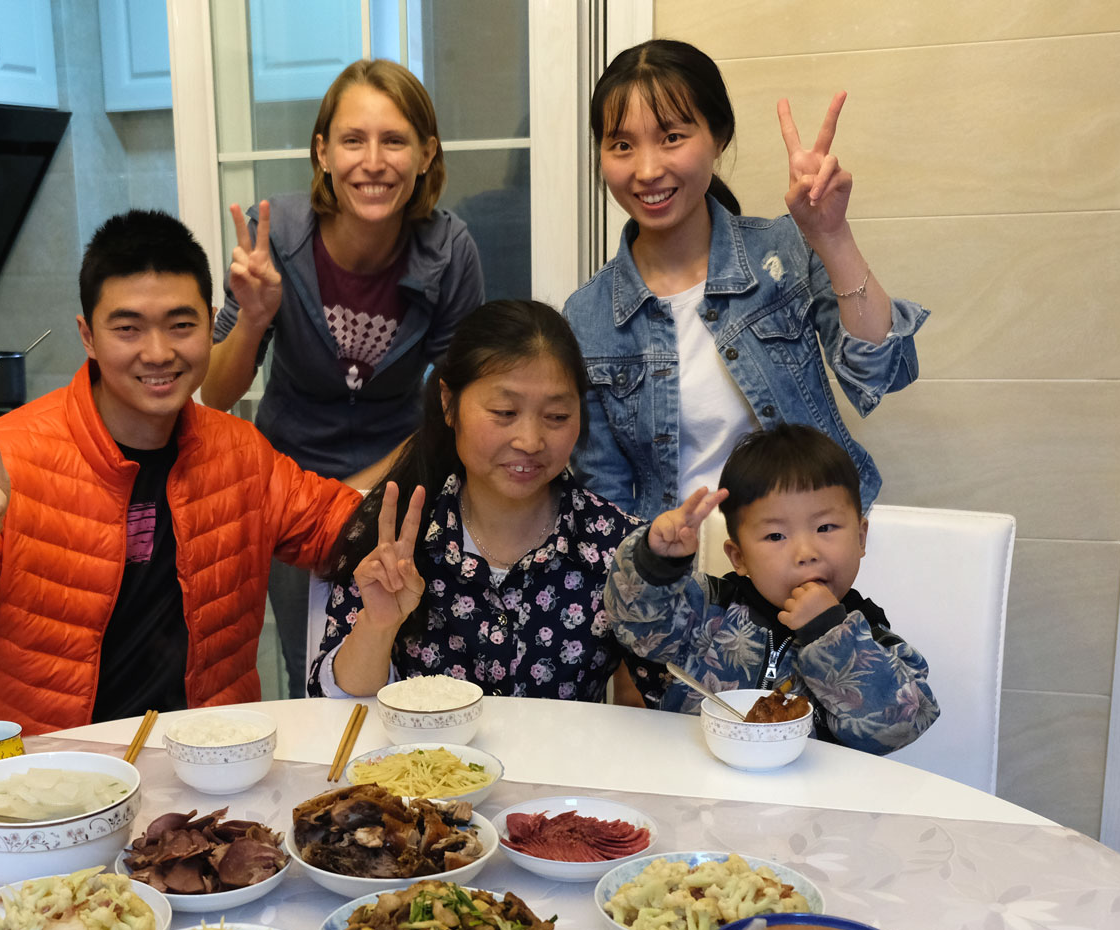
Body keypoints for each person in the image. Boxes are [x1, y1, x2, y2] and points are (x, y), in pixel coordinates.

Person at [0, 210, 362, 756]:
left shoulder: (240, 454)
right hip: (42, 780)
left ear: (210, 323)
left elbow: (344, 528)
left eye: (181, 325)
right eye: (127, 328)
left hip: (204, 773)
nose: (157, 353)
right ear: (88, 335)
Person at [203, 59, 486, 698]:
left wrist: (366, 490)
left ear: (425, 155)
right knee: (308, 667)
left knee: (401, 658)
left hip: (402, 479)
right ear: (322, 152)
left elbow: (457, 405)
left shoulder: (449, 250)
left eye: (394, 141)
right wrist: (252, 319)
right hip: (284, 487)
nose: (374, 161)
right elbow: (214, 395)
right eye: (353, 140)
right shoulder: (277, 237)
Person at [563, 39, 927, 522]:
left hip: (814, 556)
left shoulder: (782, 251)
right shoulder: (587, 316)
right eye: (622, 145)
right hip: (685, 580)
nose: (647, 170)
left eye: (672, 137)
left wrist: (832, 237)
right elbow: (607, 504)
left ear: (719, 136)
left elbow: (886, 374)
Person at [309, 299, 663, 705]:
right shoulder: (392, 535)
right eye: (504, 412)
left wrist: (667, 588)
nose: (530, 441)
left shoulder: (616, 546)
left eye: (557, 416)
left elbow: (662, 707)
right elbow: (336, 708)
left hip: (560, 768)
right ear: (448, 404)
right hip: (423, 766)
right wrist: (378, 625)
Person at [606, 425, 937, 755]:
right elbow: (636, 624)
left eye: (825, 527)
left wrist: (830, 635)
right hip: (695, 790)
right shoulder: (704, 610)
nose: (806, 552)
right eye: (776, 536)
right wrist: (657, 562)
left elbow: (902, 725)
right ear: (739, 557)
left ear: (861, 538)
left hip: (814, 800)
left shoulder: (871, 639)